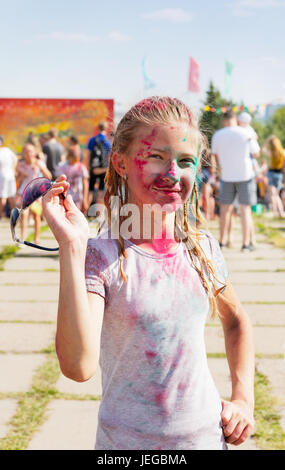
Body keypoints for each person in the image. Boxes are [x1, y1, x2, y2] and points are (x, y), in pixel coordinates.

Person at [42, 97, 255, 450]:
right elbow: (78, 366)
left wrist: (243, 398)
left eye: (185, 161)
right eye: (156, 157)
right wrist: (72, 247)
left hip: (204, 439)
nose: (173, 174)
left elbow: (237, 322)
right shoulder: (104, 257)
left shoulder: (201, 248)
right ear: (120, 163)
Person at [211, 110, 260, 252]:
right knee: (245, 210)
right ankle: (246, 244)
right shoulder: (246, 133)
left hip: (227, 175)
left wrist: (216, 173)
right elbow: (256, 153)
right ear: (235, 120)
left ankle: (222, 241)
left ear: (224, 121)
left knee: (225, 209)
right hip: (245, 175)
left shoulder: (217, 135)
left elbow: (214, 156)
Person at [16, 143, 52, 244]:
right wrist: (22, 175)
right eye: (26, 152)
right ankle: (22, 238)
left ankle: (37, 238)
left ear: (34, 152)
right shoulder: (21, 165)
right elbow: (17, 180)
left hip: (36, 193)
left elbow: (49, 176)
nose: (29, 154)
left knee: (36, 216)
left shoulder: (39, 163)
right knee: (24, 214)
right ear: (23, 153)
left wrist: (42, 168)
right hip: (24, 192)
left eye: (31, 151)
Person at [55, 147, 89, 213]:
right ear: (69, 156)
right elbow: (58, 181)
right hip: (65, 196)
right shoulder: (62, 166)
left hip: (78, 197)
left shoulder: (81, 167)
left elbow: (85, 183)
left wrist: (85, 199)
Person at [87, 121, 112, 207]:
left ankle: (86, 211)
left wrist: (89, 167)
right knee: (101, 191)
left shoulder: (92, 140)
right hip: (103, 169)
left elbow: (89, 154)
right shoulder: (107, 142)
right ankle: (98, 213)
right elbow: (109, 156)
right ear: (106, 128)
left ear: (98, 128)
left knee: (90, 190)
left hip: (93, 168)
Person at [261, 135, 285, 217]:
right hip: (279, 174)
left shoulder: (272, 153)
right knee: (276, 194)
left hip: (271, 173)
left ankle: (275, 212)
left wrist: (268, 139)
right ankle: (280, 212)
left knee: (272, 194)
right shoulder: (283, 152)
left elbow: (263, 149)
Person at [0, 135, 17, 218]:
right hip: (10, 174)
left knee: (2, 196)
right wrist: (13, 168)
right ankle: (14, 216)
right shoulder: (7, 150)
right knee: (11, 196)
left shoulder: (4, 150)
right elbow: (15, 159)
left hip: (2, 175)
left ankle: (0, 215)